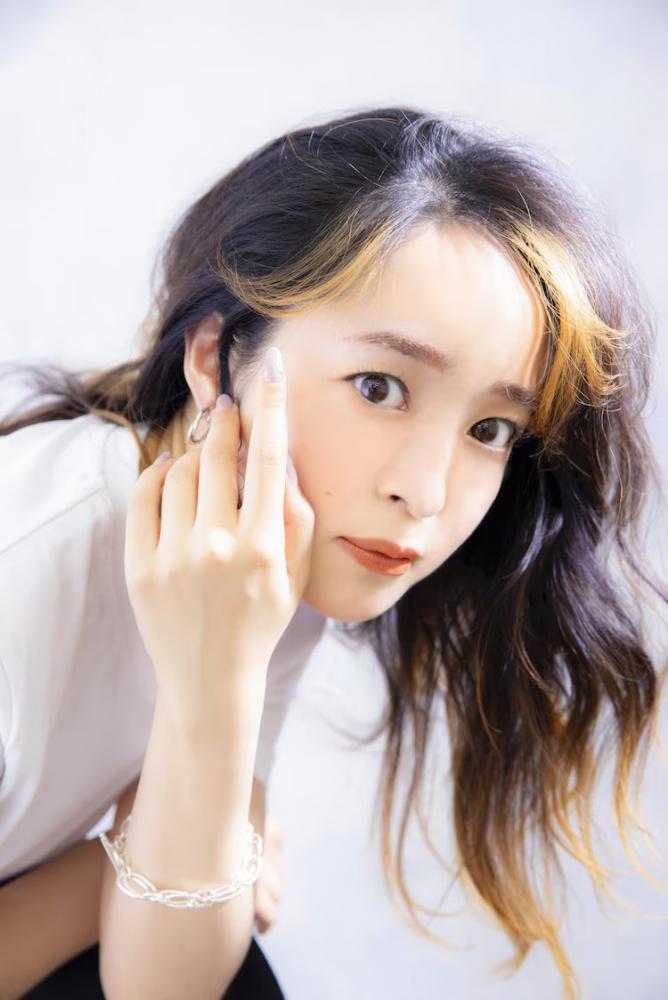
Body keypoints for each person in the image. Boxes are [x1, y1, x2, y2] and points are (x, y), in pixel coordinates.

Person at [0, 105, 666, 998]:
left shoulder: (263, 550)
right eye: (379, 387)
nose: (425, 494)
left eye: (491, 429)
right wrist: (103, 872)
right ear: (214, 355)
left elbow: (167, 986)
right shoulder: (26, 561)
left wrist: (213, 688)